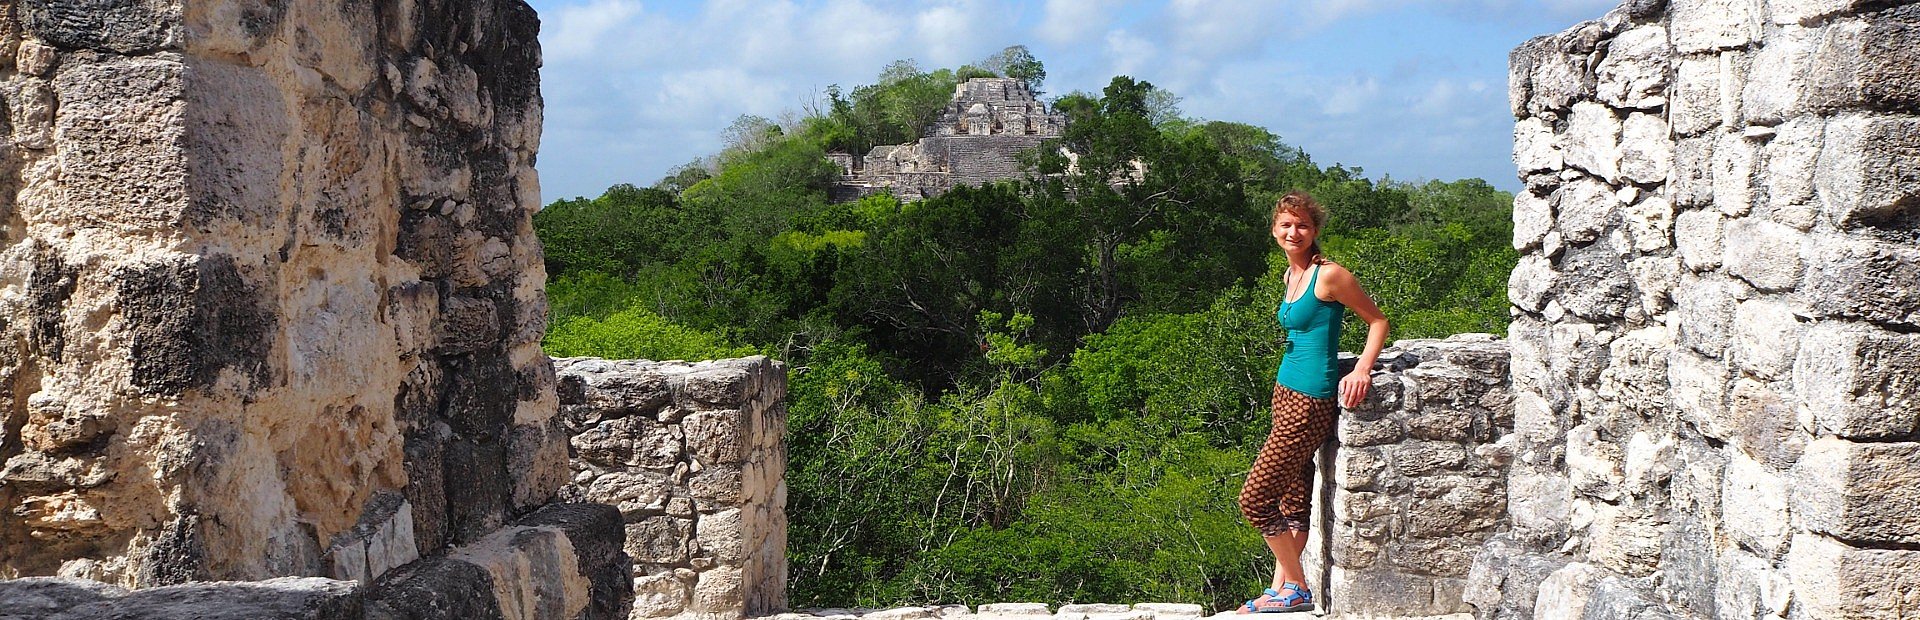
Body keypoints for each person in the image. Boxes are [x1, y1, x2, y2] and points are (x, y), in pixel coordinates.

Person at [1237, 191, 1389, 614]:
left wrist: (1361, 369)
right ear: (1274, 230)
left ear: (1315, 230)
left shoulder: (1330, 275)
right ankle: (1281, 587)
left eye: (1302, 225)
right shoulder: (1291, 276)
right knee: (1291, 497)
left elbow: (1377, 321)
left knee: (1254, 499)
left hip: (1309, 400)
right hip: (1284, 392)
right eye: (1286, 225)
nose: (1294, 232)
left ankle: (1299, 586)